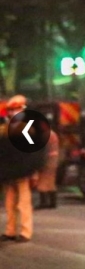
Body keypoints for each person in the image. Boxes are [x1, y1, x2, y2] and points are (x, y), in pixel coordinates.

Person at [2, 95, 36, 242]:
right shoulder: (6, 128)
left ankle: (25, 232)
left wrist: (33, 170)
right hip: (9, 171)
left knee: (23, 203)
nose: (12, 112)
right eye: (11, 110)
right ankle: (10, 231)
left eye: (16, 109)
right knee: (9, 203)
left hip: (22, 171)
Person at [35, 126, 59, 210]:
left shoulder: (45, 135)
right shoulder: (53, 134)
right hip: (54, 159)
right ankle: (53, 202)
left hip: (46, 159)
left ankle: (43, 202)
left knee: (42, 181)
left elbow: (42, 148)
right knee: (51, 181)